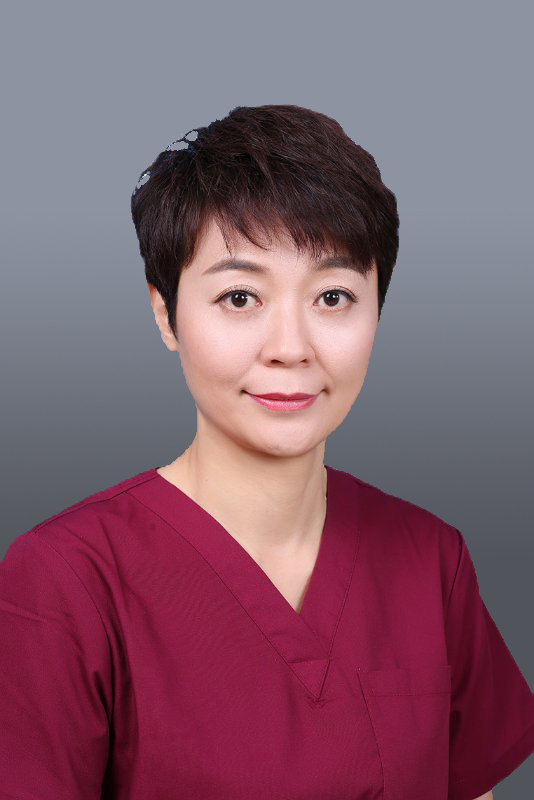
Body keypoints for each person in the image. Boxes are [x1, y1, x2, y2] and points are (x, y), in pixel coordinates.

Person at [1, 104, 532, 799]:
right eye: (240, 297)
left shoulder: (431, 561)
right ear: (166, 314)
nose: (290, 347)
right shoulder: (64, 581)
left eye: (333, 296)